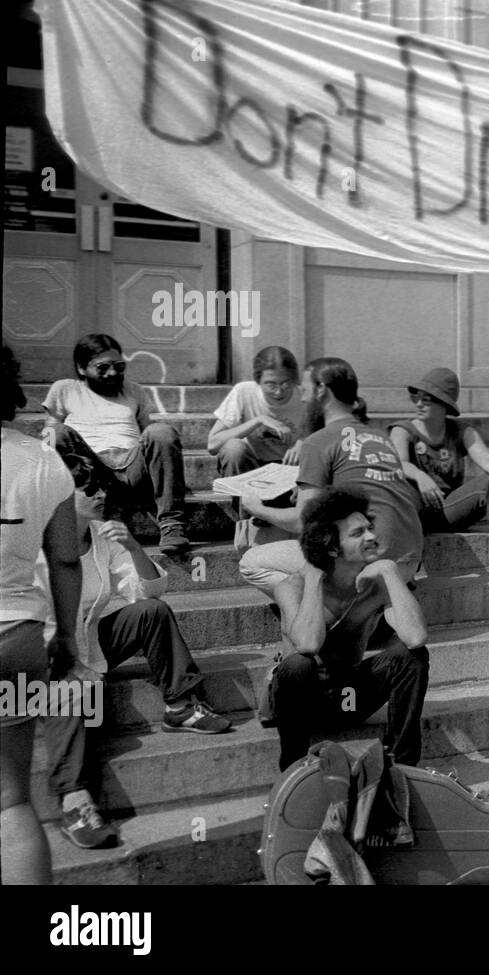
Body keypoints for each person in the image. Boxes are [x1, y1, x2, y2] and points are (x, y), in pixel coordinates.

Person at [38, 447, 232, 850]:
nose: (99, 495)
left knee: (151, 611)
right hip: (38, 660)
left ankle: (180, 704)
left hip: (88, 646)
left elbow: (148, 590)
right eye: (87, 488)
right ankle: (75, 801)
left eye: (100, 486)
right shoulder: (29, 545)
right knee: (70, 688)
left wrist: (134, 548)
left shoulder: (102, 536)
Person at [237, 357, 423, 610]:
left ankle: (325, 614)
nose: (302, 398)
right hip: (408, 563)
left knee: (252, 560)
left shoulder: (318, 441)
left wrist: (256, 507)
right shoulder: (381, 438)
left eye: (305, 388)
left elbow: (302, 521)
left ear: (321, 389)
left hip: (368, 562)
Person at [269, 489, 430, 771]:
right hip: (302, 704)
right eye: (358, 533)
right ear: (332, 548)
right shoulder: (291, 587)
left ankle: (403, 766)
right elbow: (307, 645)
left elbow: (415, 638)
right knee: (297, 665)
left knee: (411, 656)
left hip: (349, 701)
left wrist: (391, 571)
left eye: (369, 528)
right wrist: (314, 579)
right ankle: (292, 769)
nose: (371, 536)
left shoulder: (378, 583)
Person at [1, 344, 81, 885]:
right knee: (10, 802)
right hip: (17, 635)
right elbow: (67, 559)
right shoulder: (41, 458)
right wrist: (69, 638)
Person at [42, 334, 190, 554]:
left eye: (119, 366)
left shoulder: (134, 391)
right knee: (54, 433)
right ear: (82, 368)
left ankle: (172, 525)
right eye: (102, 367)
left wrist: (167, 475)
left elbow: (149, 435)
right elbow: (49, 435)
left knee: (161, 431)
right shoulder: (65, 389)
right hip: (94, 474)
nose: (112, 373)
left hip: (133, 470)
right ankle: (97, 505)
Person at [388, 367, 489, 578]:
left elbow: (485, 457)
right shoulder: (403, 430)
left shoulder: (460, 430)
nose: (419, 404)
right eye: (417, 398)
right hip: (415, 512)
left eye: (427, 399)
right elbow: (399, 463)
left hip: (449, 509)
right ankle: (407, 566)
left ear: (444, 405)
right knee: (403, 487)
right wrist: (420, 476)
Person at [208, 346, 307, 475]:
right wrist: (258, 420)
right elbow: (213, 444)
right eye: (271, 385)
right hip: (253, 467)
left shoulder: (305, 398)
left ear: (294, 379)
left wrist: (304, 444)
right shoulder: (244, 392)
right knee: (233, 448)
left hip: (291, 467)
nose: (278, 392)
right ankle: (240, 494)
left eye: (285, 383)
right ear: (258, 381)